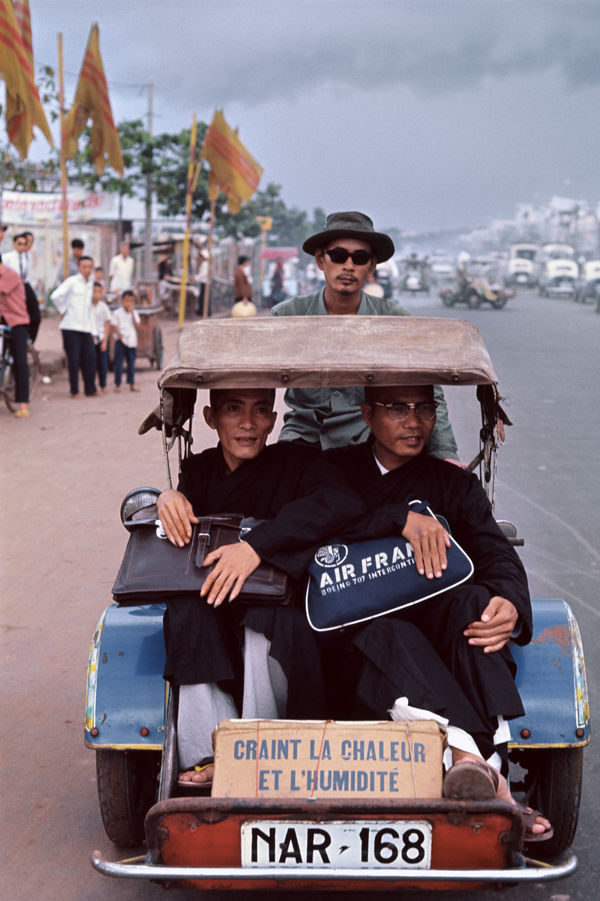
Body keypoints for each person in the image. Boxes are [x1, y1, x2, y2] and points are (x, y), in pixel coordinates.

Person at [320, 383, 551, 838]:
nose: (414, 421)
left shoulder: (454, 484)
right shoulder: (332, 472)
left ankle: (477, 768)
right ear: (367, 414)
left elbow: (495, 553)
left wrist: (509, 602)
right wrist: (397, 519)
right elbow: (311, 524)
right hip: (353, 647)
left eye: (424, 408)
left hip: (439, 638)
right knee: (390, 633)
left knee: (475, 604)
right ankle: (488, 775)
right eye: (398, 409)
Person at [156, 387, 396, 786]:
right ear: (211, 418)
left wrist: (256, 546)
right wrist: (170, 497)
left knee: (264, 624)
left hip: (282, 606)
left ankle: (257, 750)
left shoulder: (297, 463)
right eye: (235, 409)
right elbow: (180, 523)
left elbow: (341, 504)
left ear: (273, 420)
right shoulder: (199, 471)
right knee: (186, 614)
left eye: (260, 410)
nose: (248, 424)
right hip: (216, 605)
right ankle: (206, 754)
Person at [271, 211, 459, 461]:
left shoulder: (395, 320)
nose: (348, 266)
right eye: (338, 256)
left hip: (371, 444)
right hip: (304, 439)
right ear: (320, 260)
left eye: (359, 258)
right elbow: (250, 386)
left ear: (371, 266)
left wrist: (445, 453)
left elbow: (430, 390)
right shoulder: (286, 317)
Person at [50, 256, 97, 397]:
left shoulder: (91, 284)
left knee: (90, 358)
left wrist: (94, 330)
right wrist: (63, 310)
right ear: (79, 267)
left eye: (89, 266)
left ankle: (90, 389)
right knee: (74, 361)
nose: (87, 270)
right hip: (70, 326)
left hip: (86, 327)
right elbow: (55, 296)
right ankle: (74, 391)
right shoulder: (72, 282)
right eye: (84, 266)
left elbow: (90, 309)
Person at [0, 257, 30, 418]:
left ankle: (23, 403)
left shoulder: (10, 275)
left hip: (17, 320)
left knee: (20, 362)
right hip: (2, 320)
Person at [2, 231, 41, 343]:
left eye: (26, 243)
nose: (24, 246)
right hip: (10, 287)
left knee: (35, 316)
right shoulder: (7, 257)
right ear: (14, 244)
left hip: (24, 286)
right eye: (20, 243)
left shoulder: (27, 257)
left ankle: (28, 340)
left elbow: (29, 275)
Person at [112, 289, 140, 392]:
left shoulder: (135, 313)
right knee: (119, 363)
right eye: (126, 300)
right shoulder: (117, 313)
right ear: (122, 301)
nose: (128, 303)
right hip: (121, 340)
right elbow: (114, 326)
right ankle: (118, 384)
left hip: (132, 341)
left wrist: (132, 314)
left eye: (131, 301)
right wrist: (120, 336)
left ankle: (131, 383)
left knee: (131, 363)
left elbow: (137, 325)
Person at [91, 281, 112, 394]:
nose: (96, 294)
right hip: (90, 339)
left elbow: (107, 324)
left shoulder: (104, 307)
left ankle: (103, 385)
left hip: (101, 339)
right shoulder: (86, 306)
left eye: (99, 292)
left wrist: (105, 341)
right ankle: (92, 385)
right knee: (91, 364)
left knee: (102, 364)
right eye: (94, 292)